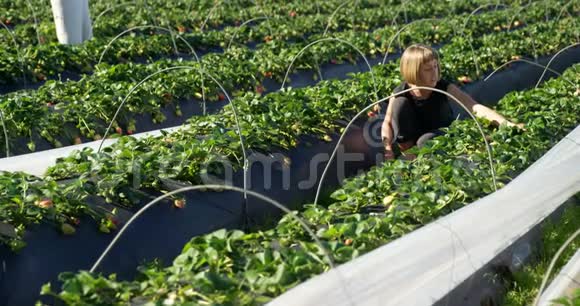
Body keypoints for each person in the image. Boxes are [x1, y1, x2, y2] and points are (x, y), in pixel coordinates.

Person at [379, 44, 524, 160]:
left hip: (439, 135)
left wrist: (507, 125)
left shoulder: (444, 87)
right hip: (411, 141)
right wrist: (387, 147)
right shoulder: (401, 91)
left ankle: (427, 159)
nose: (434, 73)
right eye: (428, 69)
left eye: (435, 66)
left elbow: (474, 107)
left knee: (426, 140)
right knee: (400, 104)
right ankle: (409, 156)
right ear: (414, 71)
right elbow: (388, 123)